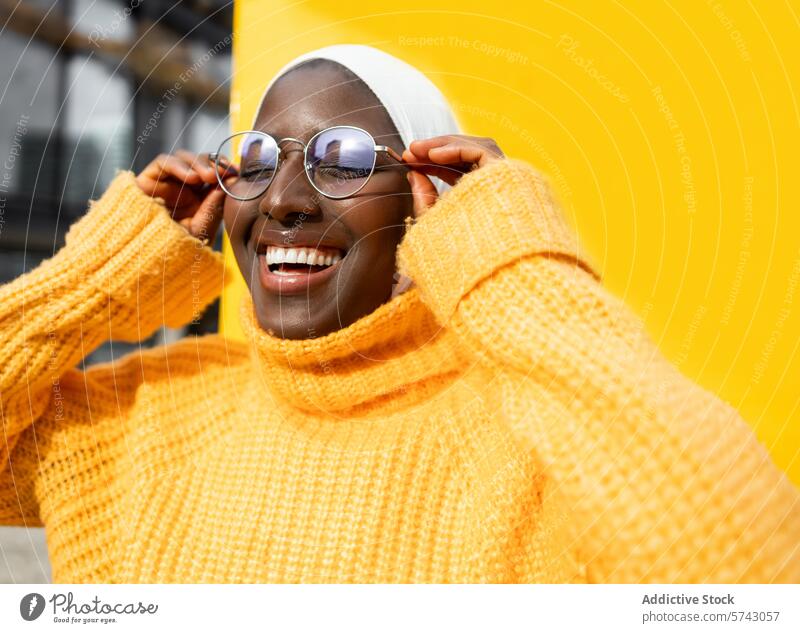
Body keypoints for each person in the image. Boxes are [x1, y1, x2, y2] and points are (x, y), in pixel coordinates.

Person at [1, 45, 798, 584]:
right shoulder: (136, 418)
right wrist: (98, 273)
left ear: (428, 201)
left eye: (341, 160)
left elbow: (744, 570)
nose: (282, 201)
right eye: (257, 161)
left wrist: (505, 263)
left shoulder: (536, 437)